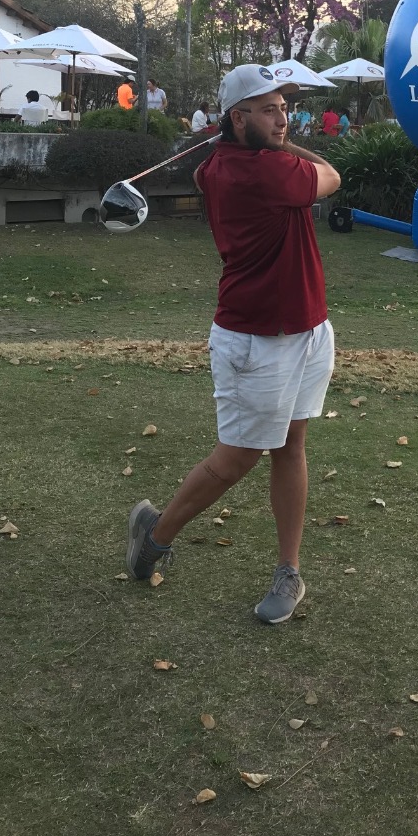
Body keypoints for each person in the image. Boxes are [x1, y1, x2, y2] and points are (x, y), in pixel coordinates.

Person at [126, 63, 341, 624]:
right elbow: (332, 176)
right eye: (268, 110)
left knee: (291, 445)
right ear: (237, 118)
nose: (282, 119)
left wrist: (264, 140)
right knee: (238, 457)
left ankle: (289, 570)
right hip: (255, 340)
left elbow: (207, 173)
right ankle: (156, 534)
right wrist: (287, 147)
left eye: (283, 108)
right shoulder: (266, 172)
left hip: (307, 328)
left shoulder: (219, 165)